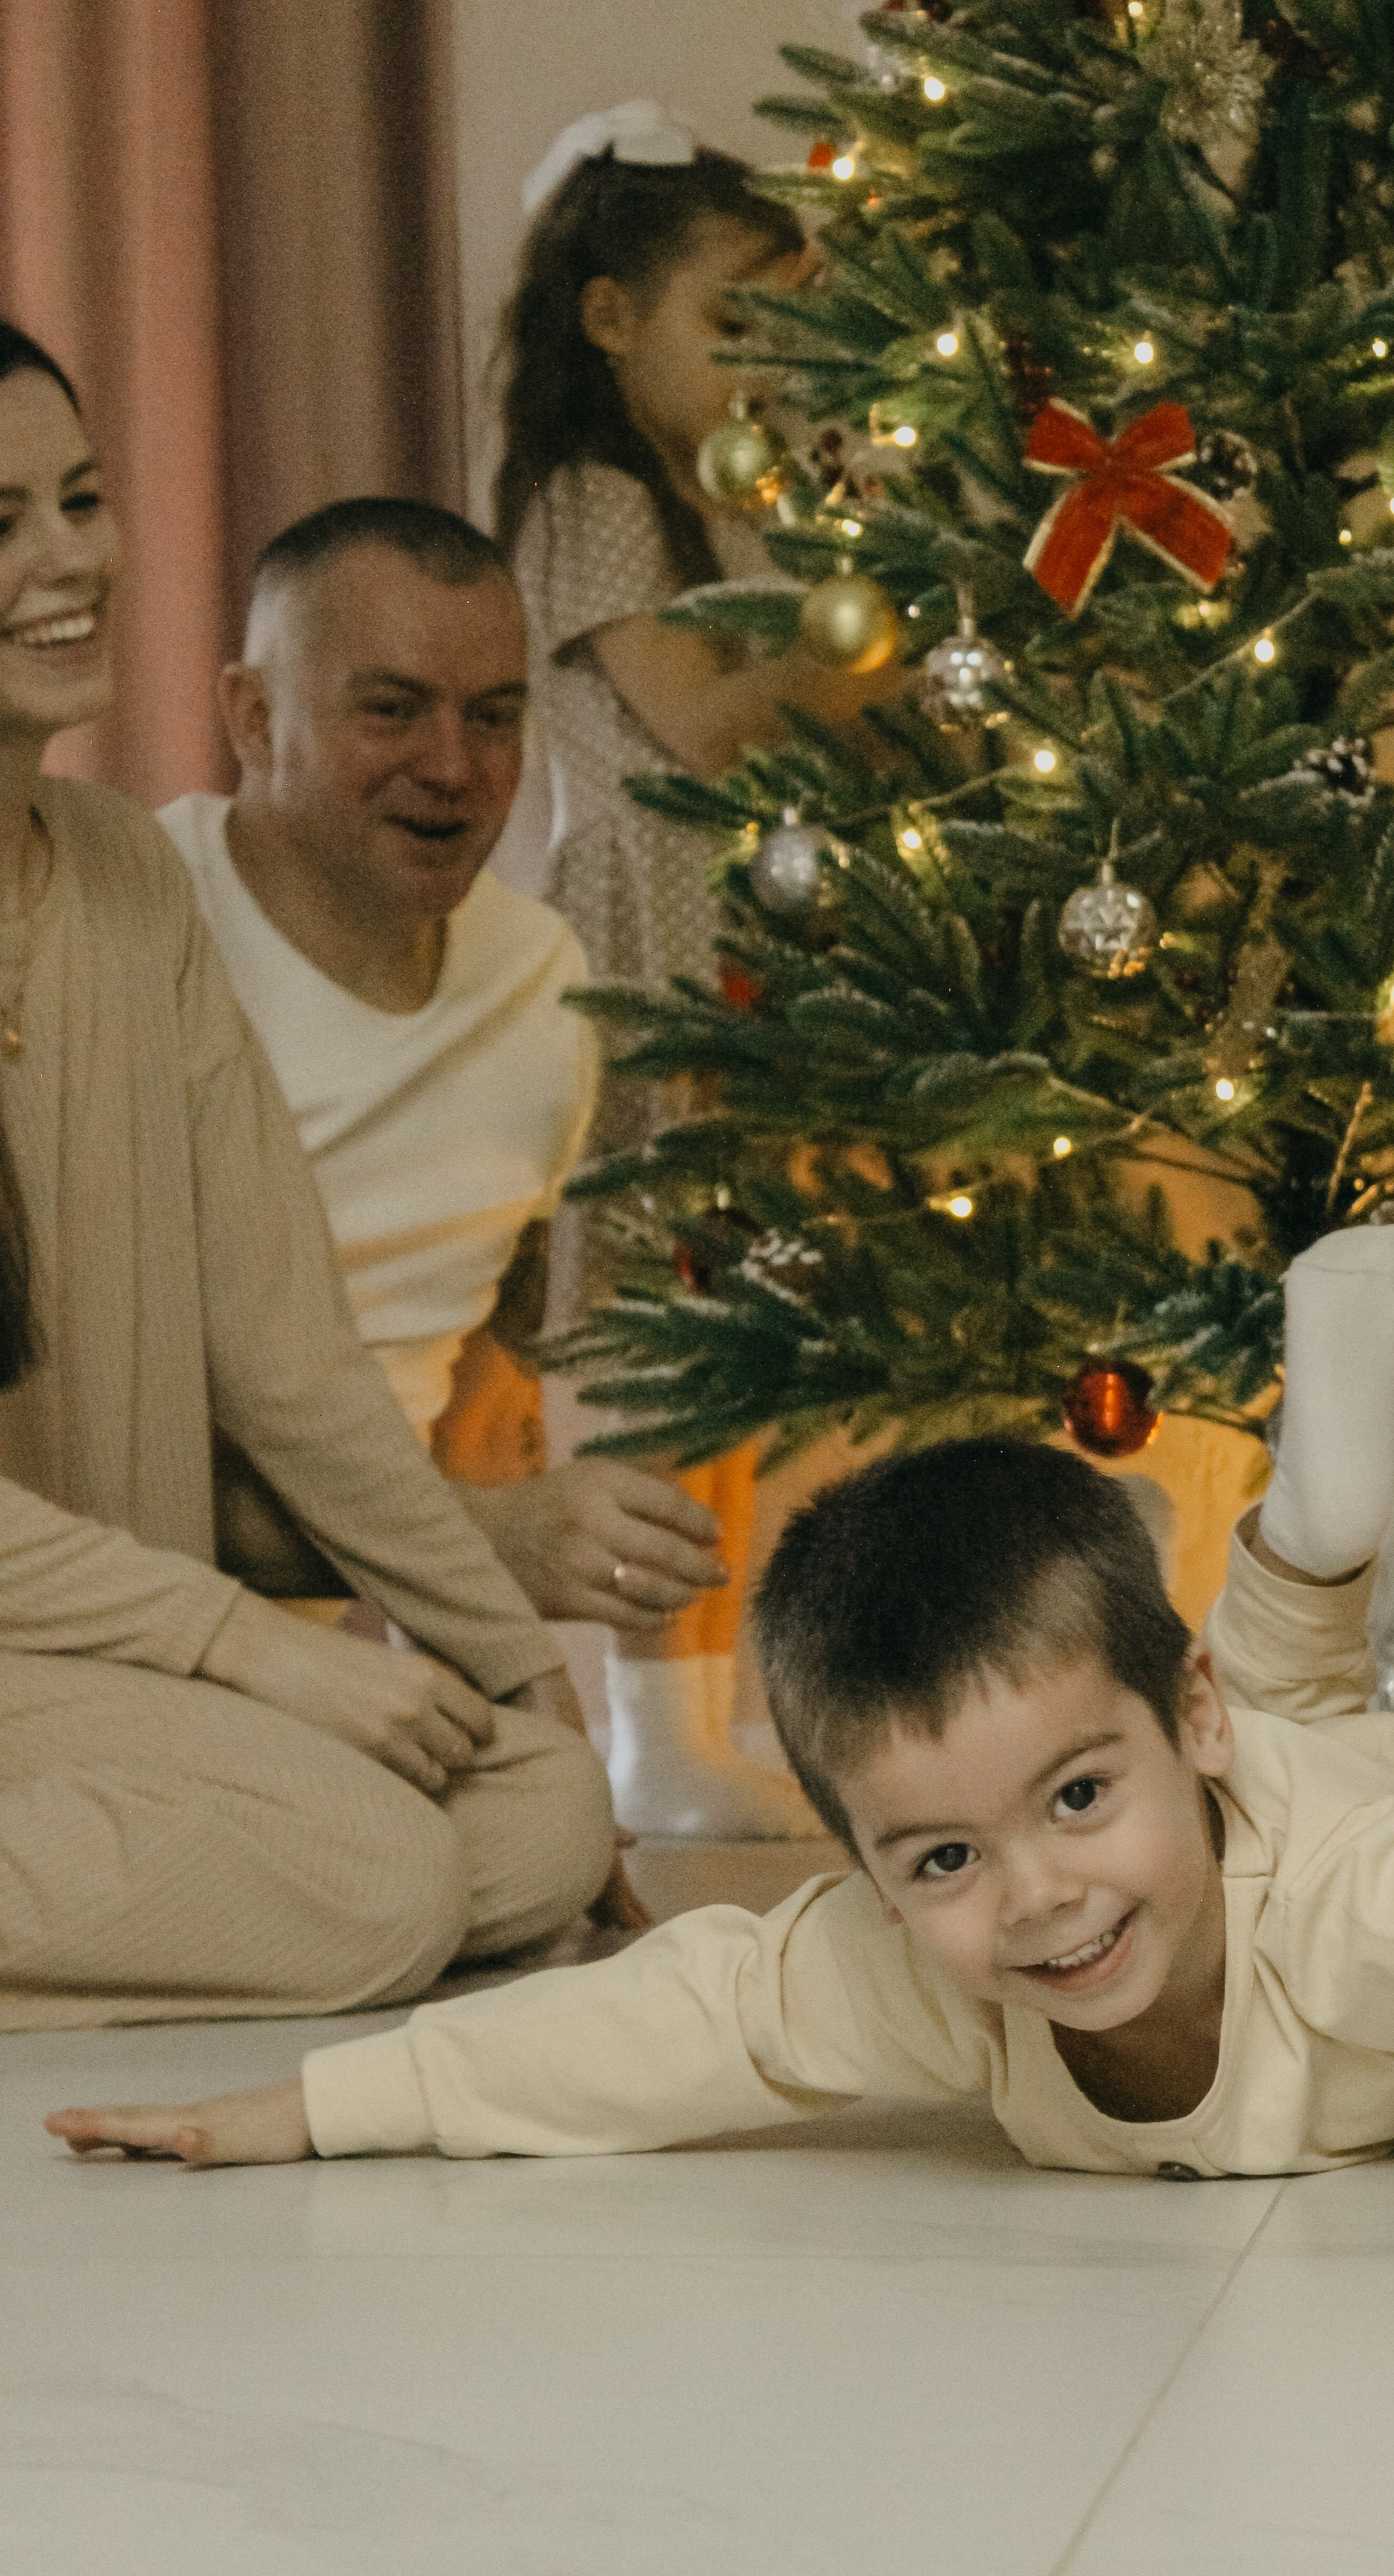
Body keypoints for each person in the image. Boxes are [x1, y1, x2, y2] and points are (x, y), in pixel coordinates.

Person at [51, 1195, 1394, 2180]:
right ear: (862, 1867)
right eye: (942, 1860)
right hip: (1298, 1763)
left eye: (1067, 1802)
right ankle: (1316, 1540)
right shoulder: (932, 1968)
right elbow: (681, 2018)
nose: (1036, 1900)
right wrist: (309, 2107)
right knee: (1275, 1760)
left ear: (1180, 1723)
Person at [0, 319, 617, 2029]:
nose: (67, 562)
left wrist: (514, 1676)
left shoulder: (124, 875)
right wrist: (246, 1646)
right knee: (379, 1881)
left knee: (538, 1813)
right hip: (110, 1656)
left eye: (79, 498)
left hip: (95, 1668)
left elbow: (291, 1363)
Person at [491, 102, 902, 1843]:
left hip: (750, 950)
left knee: (739, 1340)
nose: (755, 366)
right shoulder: (591, 500)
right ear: (609, 318)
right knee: (653, 1340)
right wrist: (850, 627)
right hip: (648, 942)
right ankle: (648, 1727)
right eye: (728, 321)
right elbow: (698, 727)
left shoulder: (723, 507)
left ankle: (714, 1706)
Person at [156, 496, 731, 1655]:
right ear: (254, 718)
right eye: (392, 712)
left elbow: (489, 1353)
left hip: (364, 1611)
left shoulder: (544, 984)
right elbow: (97, 1456)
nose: (454, 768)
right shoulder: (133, 926)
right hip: (143, 1609)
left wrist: (483, 1639)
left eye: (496, 717)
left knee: (554, 1815)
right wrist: (482, 1543)